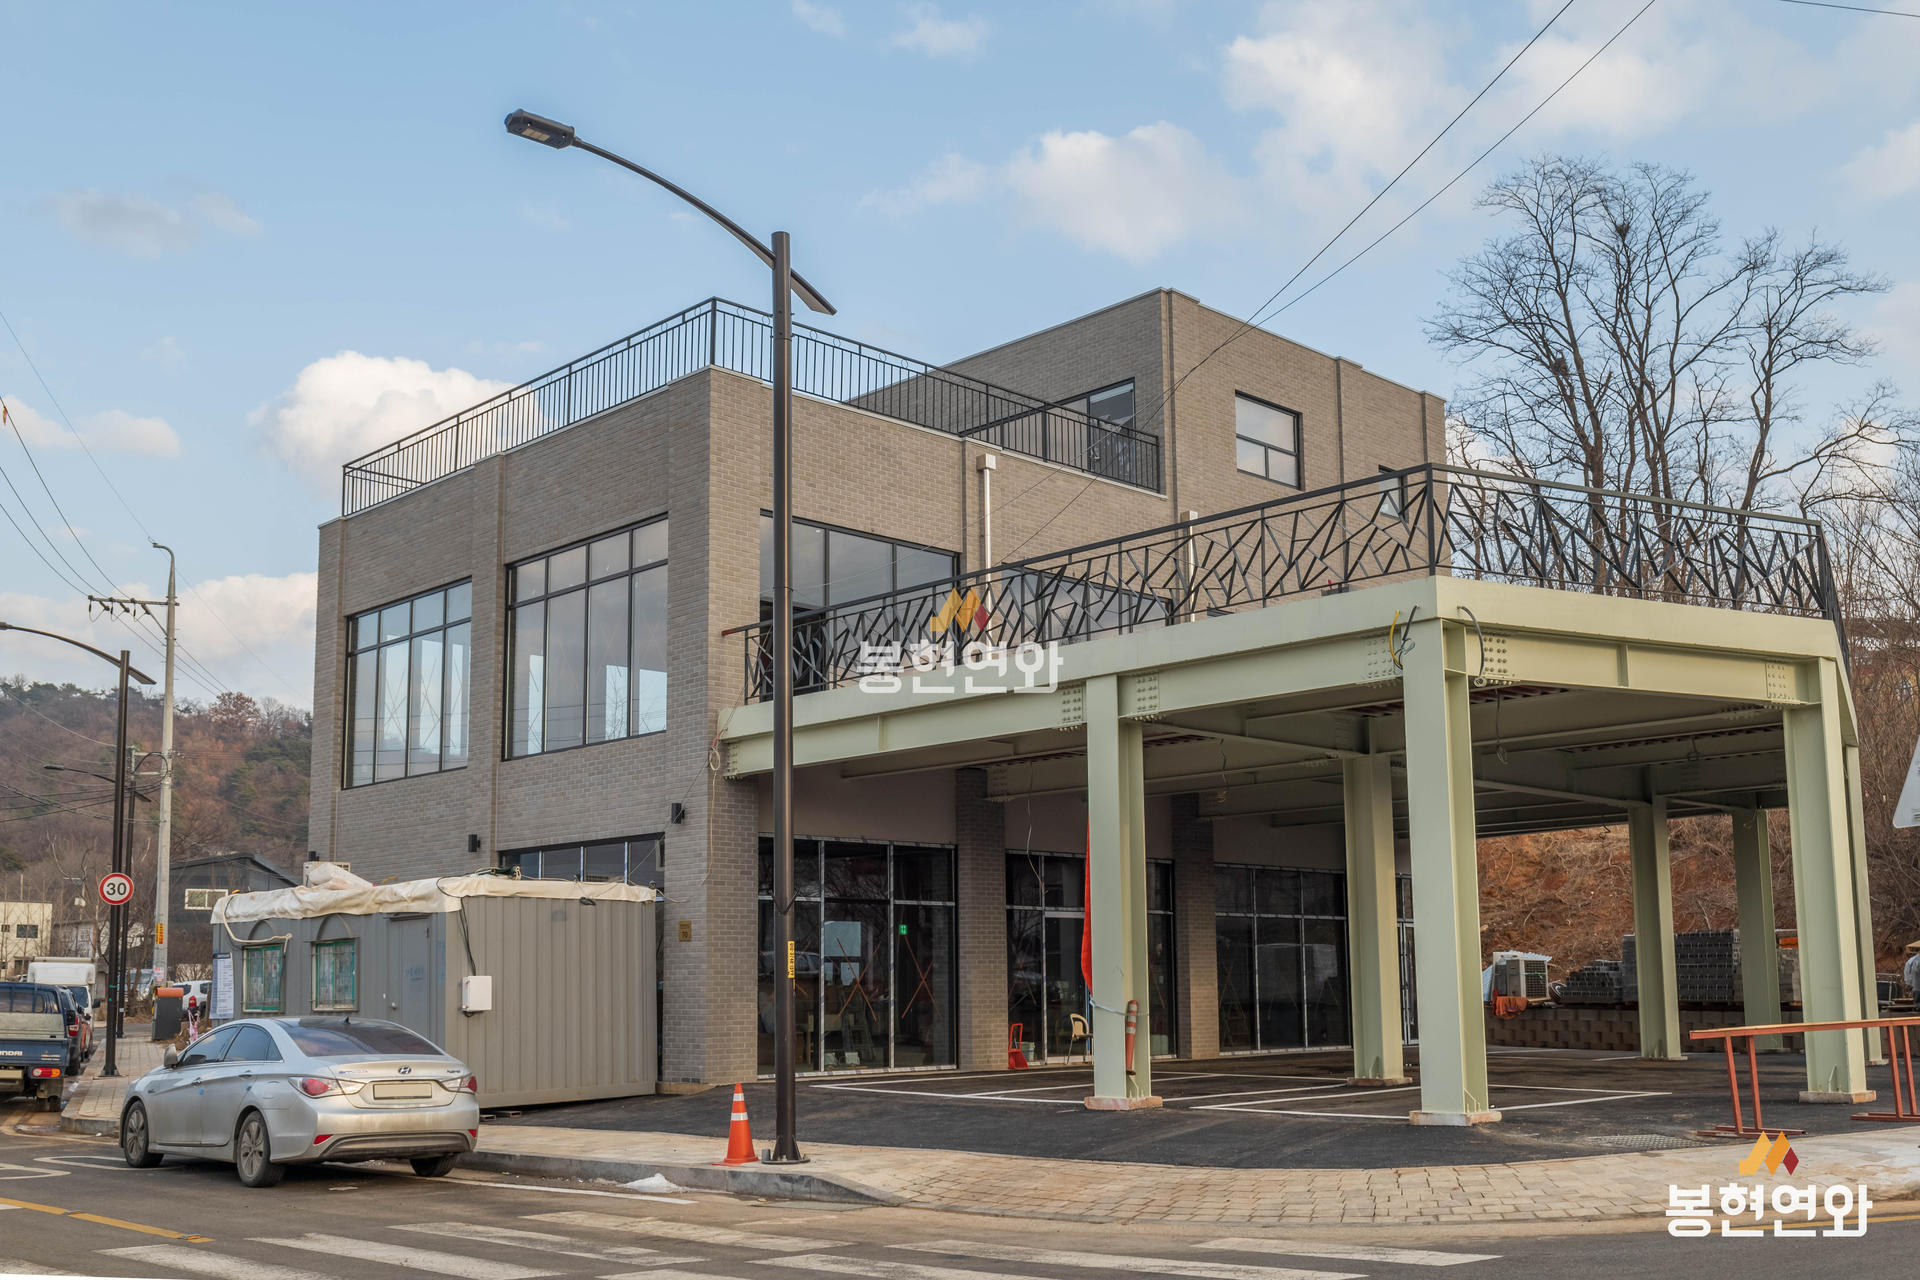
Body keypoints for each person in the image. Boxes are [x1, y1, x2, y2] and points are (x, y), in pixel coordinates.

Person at [1904, 941, 1920, 1009]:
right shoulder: (1917, 960)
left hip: (1916, 988)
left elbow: (1907, 973)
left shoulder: (1911, 960)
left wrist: (1910, 983)